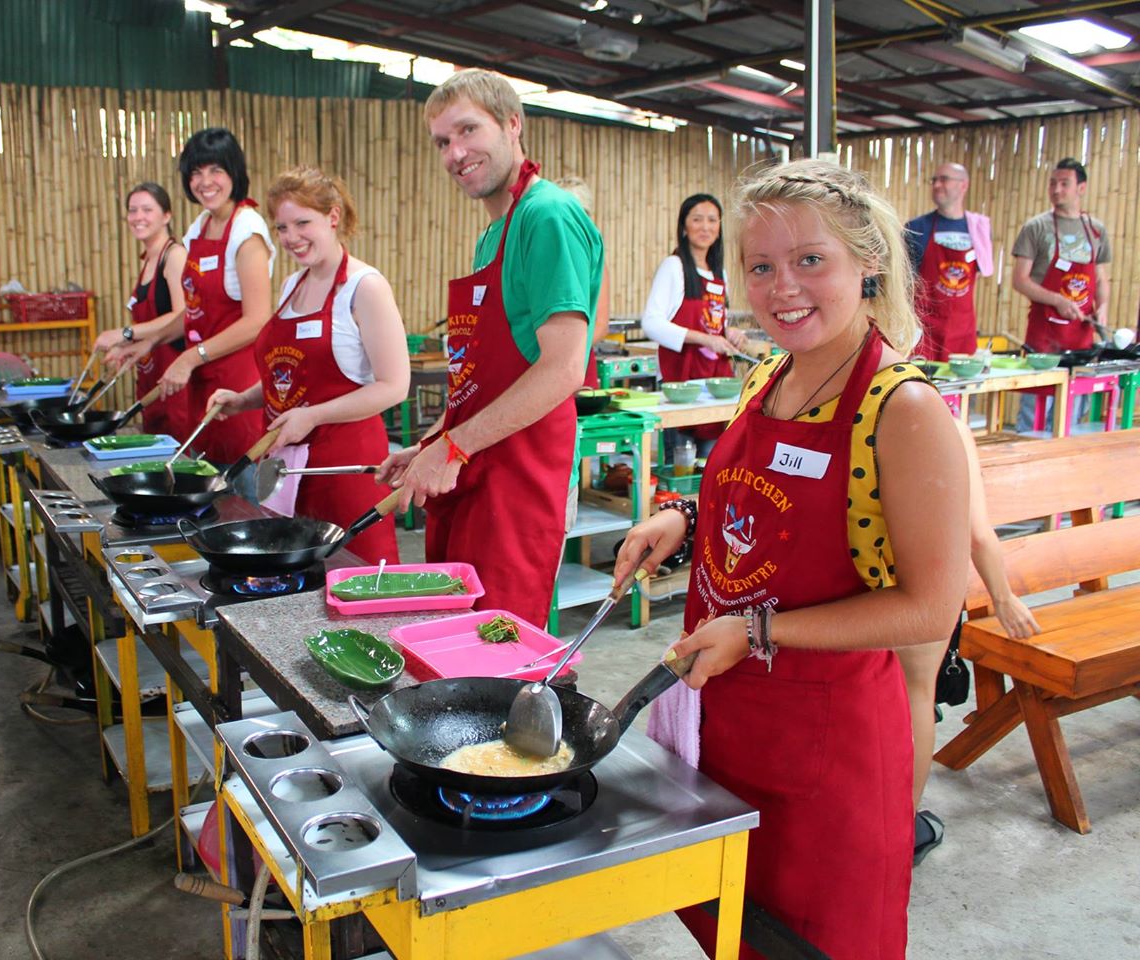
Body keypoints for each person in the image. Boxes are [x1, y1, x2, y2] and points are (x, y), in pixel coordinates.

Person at [615, 160, 969, 959]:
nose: (783, 288)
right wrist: (681, 515)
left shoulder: (900, 409)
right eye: (762, 267)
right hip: (729, 731)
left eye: (811, 260)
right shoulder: (768, 378)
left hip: (830, 757)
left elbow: (928, 609)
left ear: (868, 259)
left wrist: (757, 630)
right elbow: (753, 505)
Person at [379, 69, 603, 627]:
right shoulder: (494, 230)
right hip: (478, 469)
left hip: (517, 478)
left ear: (511, 124)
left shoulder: (546, 215)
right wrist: (432, 442)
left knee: (497, 651)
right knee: (459, 639)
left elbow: (563, 368)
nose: (456, 153)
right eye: (442, 142)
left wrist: (452, 449)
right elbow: (485, 375)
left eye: (467, 131)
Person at [206, 167, 409, 564]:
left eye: (303, 222)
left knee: (353, 580)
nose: (291, 238)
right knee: (295, 585)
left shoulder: (364, 287)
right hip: (287, 474)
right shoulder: (291, 286)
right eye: (282, 227)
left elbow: (394, 385)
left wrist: (312, 416)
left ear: (333, 217)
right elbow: (291, 380)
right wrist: (243, 399)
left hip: (345, 471)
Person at [899, 416, 1041, 865]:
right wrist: (1003, 597)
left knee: (874, 696)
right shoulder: (943, 422)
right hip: (928, 578)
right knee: (916, 695)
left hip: (860, 579)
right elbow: (978, 532)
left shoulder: (833, 410)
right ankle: (903, 826)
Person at [109, 128, 272, 461]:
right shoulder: (198, 228)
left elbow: (257, 321)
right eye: (196, 172)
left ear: (234, 173)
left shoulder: (247, 231)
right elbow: (196, 312)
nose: (205, 181)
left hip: (239, 385)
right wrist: (150, 341)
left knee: (241, 494)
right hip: (203, 384)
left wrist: (189, 357)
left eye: (216, 170)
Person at [641, 194, 753, 451]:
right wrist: (705, 339)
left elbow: (713, 322)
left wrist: (729, 333)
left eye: (712, 220)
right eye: (697, 219)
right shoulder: (674, 266)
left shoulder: (719, 273)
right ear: (684, 226)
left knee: (711, 463)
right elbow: (651, 322)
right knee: (680, 468)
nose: (705, 227)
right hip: (681, 383)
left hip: (715, 386)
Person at [93, 183, 186, 435]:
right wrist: (126, 347)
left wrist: (125, 333)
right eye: (133, 210)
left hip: (176, 384)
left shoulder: (174, 255)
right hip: (149, 380)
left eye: (147, 209)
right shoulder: (147, 261)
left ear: (166, 215)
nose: (138, 217)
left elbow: (182, 314)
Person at [1012, 157, 1110, 356]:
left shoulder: (1096, 230)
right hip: (1044, 338)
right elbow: (1020, 280)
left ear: (1081, 189)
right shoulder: (1036, 227)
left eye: (1065, 184)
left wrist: (1103, 307)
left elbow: (1101, 279)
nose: (1056, 190)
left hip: (1081, 338)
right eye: (1053, 183)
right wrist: (1058, 300)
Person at [904, 162, 994, 360]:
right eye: (934, 180)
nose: (936, 185)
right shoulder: (916, 228)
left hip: (963, 331)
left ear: (963, 185)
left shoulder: (978, 230)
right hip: (925, 331)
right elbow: (903, 284)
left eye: (943, 179)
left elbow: (976, 277)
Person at [551, 176, 610, 389]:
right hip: (535, 363)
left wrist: (561, 353)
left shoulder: (595, 262)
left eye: (580, 214)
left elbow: (600, 325)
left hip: (578, 363)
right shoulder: (540, 259)